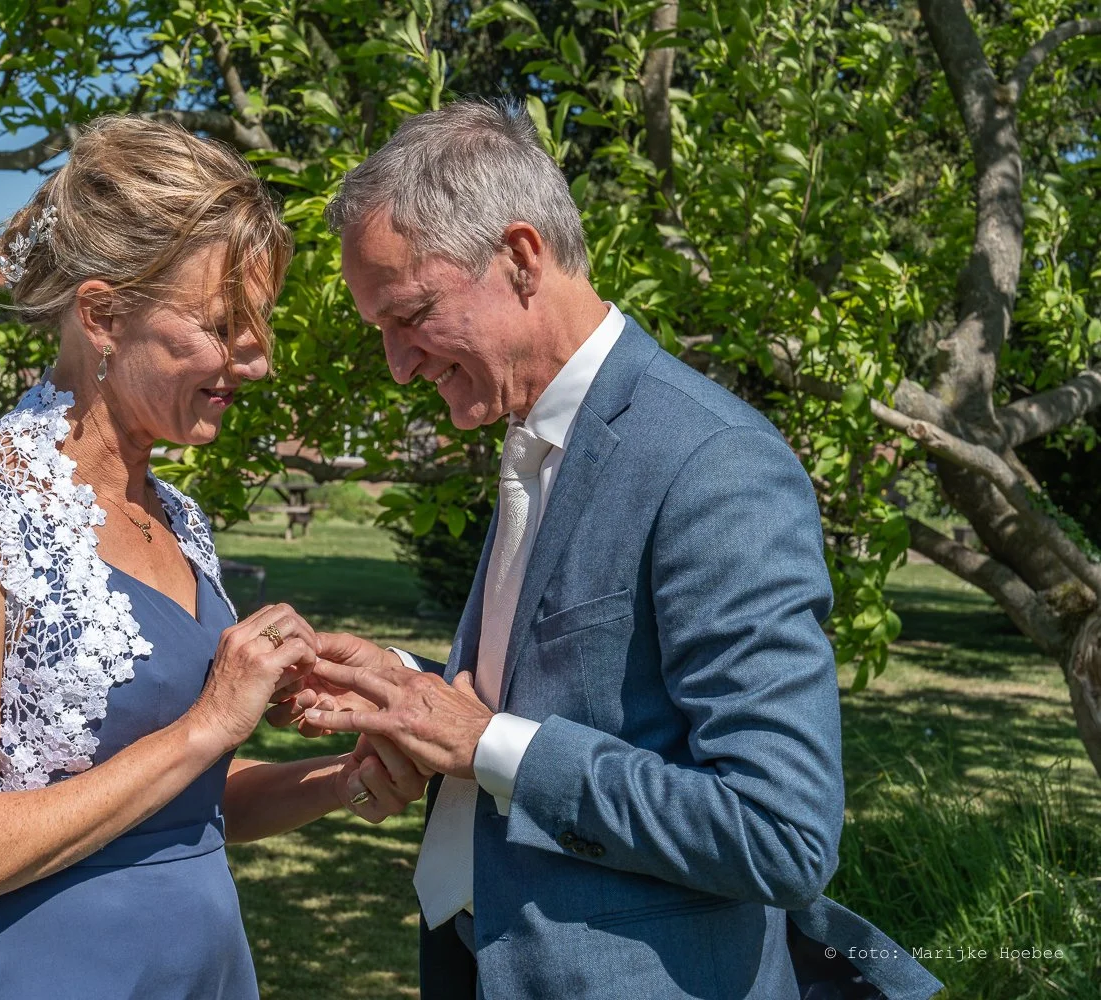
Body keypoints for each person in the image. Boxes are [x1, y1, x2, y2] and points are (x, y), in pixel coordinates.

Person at [277, 99, 943, 1000]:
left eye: (412, 315)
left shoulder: (711, 463)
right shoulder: (541, 432)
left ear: (519, 258)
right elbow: (579, 698)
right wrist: (400, 684)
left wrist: (486, 746)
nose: (397, 365)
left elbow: (779, 833)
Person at [0, 116, 426, 1000]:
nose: (257, 361)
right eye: (226, 325)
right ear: (104, 315)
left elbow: (179, 804)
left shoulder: (175, 515)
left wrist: (345, 778)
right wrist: (210, 722)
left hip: (203, 969)